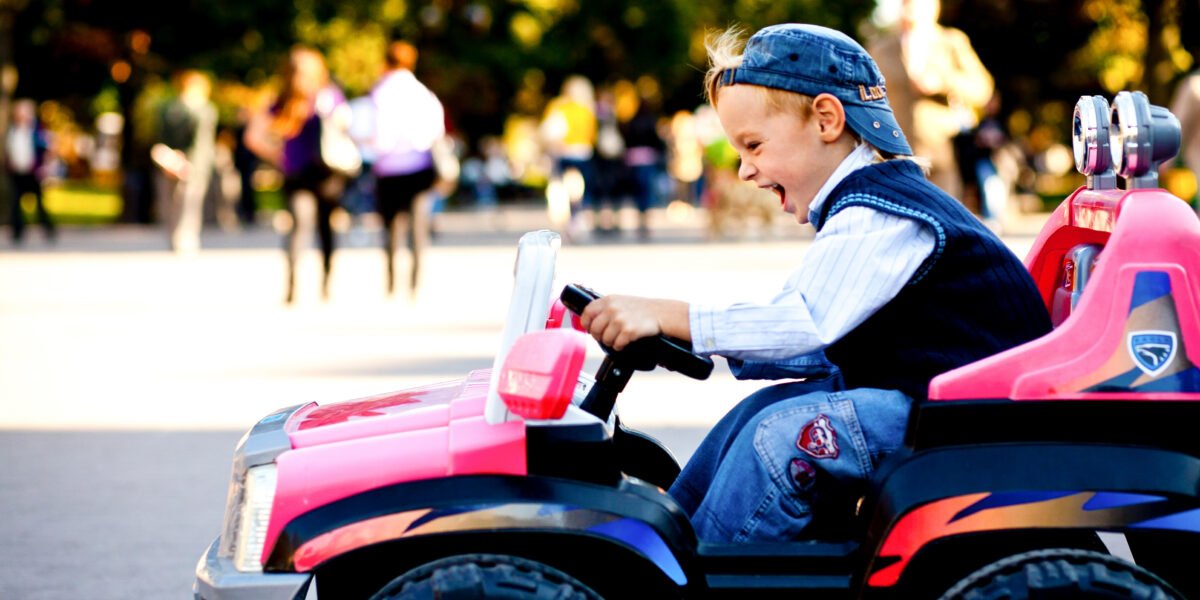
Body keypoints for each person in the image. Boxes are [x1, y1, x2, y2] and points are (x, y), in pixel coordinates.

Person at [579, 24, 1052, 543]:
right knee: (757, 412)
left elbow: (804, 325)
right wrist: (692, 338)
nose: (744, 171)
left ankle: (702, 573)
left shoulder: (883, 214)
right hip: (931, 401)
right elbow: (822, 344)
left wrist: (671, 315)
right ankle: (674, 540)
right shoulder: (864, 207)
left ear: (826, 120)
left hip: (967, 417)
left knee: (780, 436)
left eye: (754, 146)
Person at [243, 46, 352, 303]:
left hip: (327, 172)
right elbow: (253, 137)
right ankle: (295, 285)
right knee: (303, 227)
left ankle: (323, 282)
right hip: (301, 174)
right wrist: (279, 155)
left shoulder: (327, 97)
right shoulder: (283, 101)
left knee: (322, 228)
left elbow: (346, 124)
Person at [869, 0, 993, 206]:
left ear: (934, 8)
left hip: (942, 153)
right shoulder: (880, 48)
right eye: (905, 3)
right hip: (895, 152)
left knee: (944, 217)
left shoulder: (951, 42)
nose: (910, 9)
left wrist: (943, 82)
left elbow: (982, 88)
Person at [363, 40, 445, 298]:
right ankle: (414, 284)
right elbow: (436, 131)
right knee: (418, 228)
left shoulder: (379, 93)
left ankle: (390, 282)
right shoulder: (423, 92)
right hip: (419, 170)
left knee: (391, 229)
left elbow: (376, 135)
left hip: (388, 170)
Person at [151, 69, 218, 254]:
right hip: (179, 160)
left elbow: (202, 142)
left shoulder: (204, 110)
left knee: (189, 200)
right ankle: (178, 236)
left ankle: (185, 235)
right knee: (176, 200)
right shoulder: (175, 109)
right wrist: (172, 159)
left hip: (193, 163)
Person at [5, 98, 55, 245]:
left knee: (39, 203)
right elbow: (9, 149)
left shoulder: (37, 130)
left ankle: (48, 229)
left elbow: (47, 149)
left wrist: (44, 167)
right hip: (17, 172)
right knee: (15, 203)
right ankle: (17, 232)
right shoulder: (12, 129)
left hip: (33, 172)